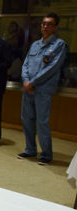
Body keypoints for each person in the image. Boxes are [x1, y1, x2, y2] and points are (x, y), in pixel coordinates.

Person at [18, 13, 67, 165]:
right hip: (28, 89)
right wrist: (26, 81)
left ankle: (46, 154)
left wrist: (32, 82)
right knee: (26, 119)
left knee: (42, 122)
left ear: (55, 27)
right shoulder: (35, 45)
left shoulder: (59, 45)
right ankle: (30, 149)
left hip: (43, 90)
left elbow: (52, 68)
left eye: (49, 24)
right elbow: (25, 64)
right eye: (43, 24)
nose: (45, 27)